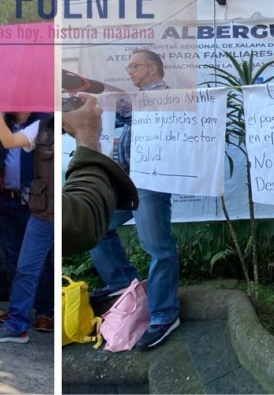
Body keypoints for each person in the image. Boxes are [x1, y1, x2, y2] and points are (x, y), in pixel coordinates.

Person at [89, 49, 181, 350]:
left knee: (159, 248)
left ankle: (164, 315)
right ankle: (121, 283)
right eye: (127, 67)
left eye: (134, 66)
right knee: (97, 227)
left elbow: (128, 103)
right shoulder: (139, 100)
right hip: (127, 181)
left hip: (150, 182)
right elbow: (121, 109)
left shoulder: (163, 96)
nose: (129, 71)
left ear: (152, 68)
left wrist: (98, 87)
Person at [0, 95, 54, 344]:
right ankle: (18, 319)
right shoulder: (39, 125)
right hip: (30, 205)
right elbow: (7, 143)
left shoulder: (51, 120)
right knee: (23, 264)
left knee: (41, 263)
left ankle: (44, 312)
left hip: (55, 203)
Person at [60, 95, 138, 255]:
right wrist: (86, 133)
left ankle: (124, 279)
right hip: (127, 179)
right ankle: (122, 279)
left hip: (145, 178)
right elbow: (83, 222)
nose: (131, 71)